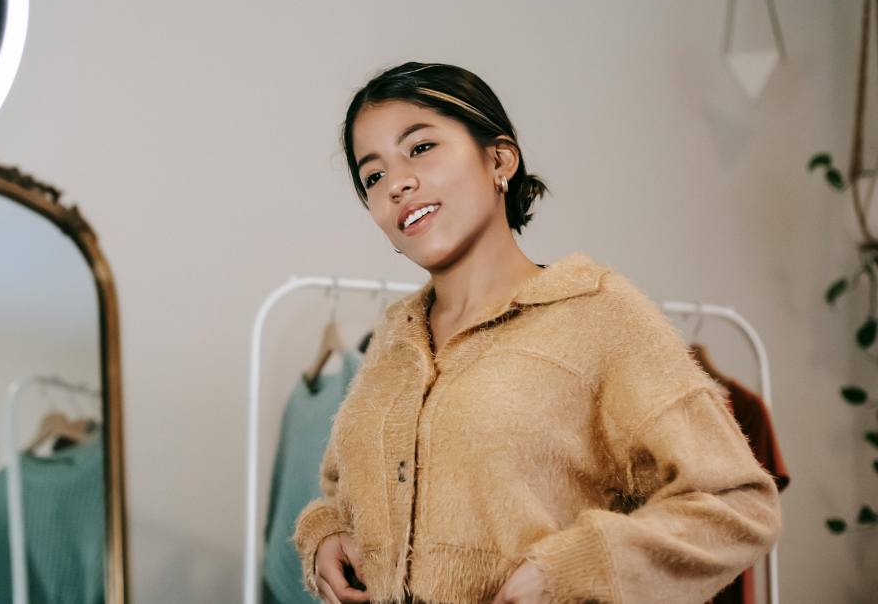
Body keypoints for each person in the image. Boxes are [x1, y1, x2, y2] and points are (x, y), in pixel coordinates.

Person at [292, 63, 781, 604]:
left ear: (499, 158)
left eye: (421, 148)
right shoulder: (393, 339)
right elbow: (344, 491)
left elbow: (738, 501)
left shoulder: (598, 314)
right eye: (373, 176)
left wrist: (576, 570)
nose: (397, 184)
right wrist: (325, 535)